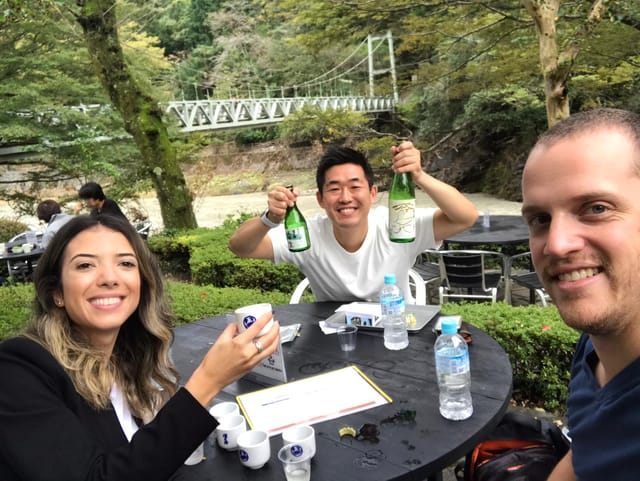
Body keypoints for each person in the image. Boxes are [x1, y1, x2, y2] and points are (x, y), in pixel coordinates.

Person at [0, 214, 280, 480]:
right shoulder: (17, 371)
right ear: (56, 293)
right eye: (85, 265)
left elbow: (140, 457)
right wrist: (208, 380)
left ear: (142, 283)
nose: (109, 278)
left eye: (125, 264)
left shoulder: (127, 357)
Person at [521, 108, 640, 481]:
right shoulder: (592, 347)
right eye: (541, 219)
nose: (556, 245)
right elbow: (588, 451)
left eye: (596, 208)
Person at [229, 141, 478, 302]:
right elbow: (240, 247)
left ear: (372, 194)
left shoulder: (397, 224)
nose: (345, 198)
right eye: (334, 189)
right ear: (320, 199)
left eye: (355, 186)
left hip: (396, 334)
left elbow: (465, 217)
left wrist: (420, 176)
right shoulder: (307, 235)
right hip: (333, 342)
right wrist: (270, 218)